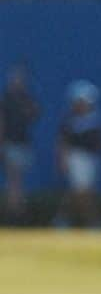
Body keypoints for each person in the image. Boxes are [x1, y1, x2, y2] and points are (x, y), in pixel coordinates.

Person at [55, 80, 101, 229]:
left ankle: (62, 219)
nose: (83, 104)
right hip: (75, 158)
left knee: (80, 192)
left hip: (90, 160)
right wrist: (63, 160)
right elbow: (62, 143)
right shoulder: (69, 121)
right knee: (82, 192)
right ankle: (93, 222)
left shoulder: (95, 119)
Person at [1, 63, 41, 220]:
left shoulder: (26, 98)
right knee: (14, 181)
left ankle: (16, 212)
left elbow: (35, 114)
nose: (17, 81)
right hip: (10, 144)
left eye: (20, 78)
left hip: (22, 144)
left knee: (17, 181)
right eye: (15, 78)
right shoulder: (5, 99)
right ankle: (14, 213)